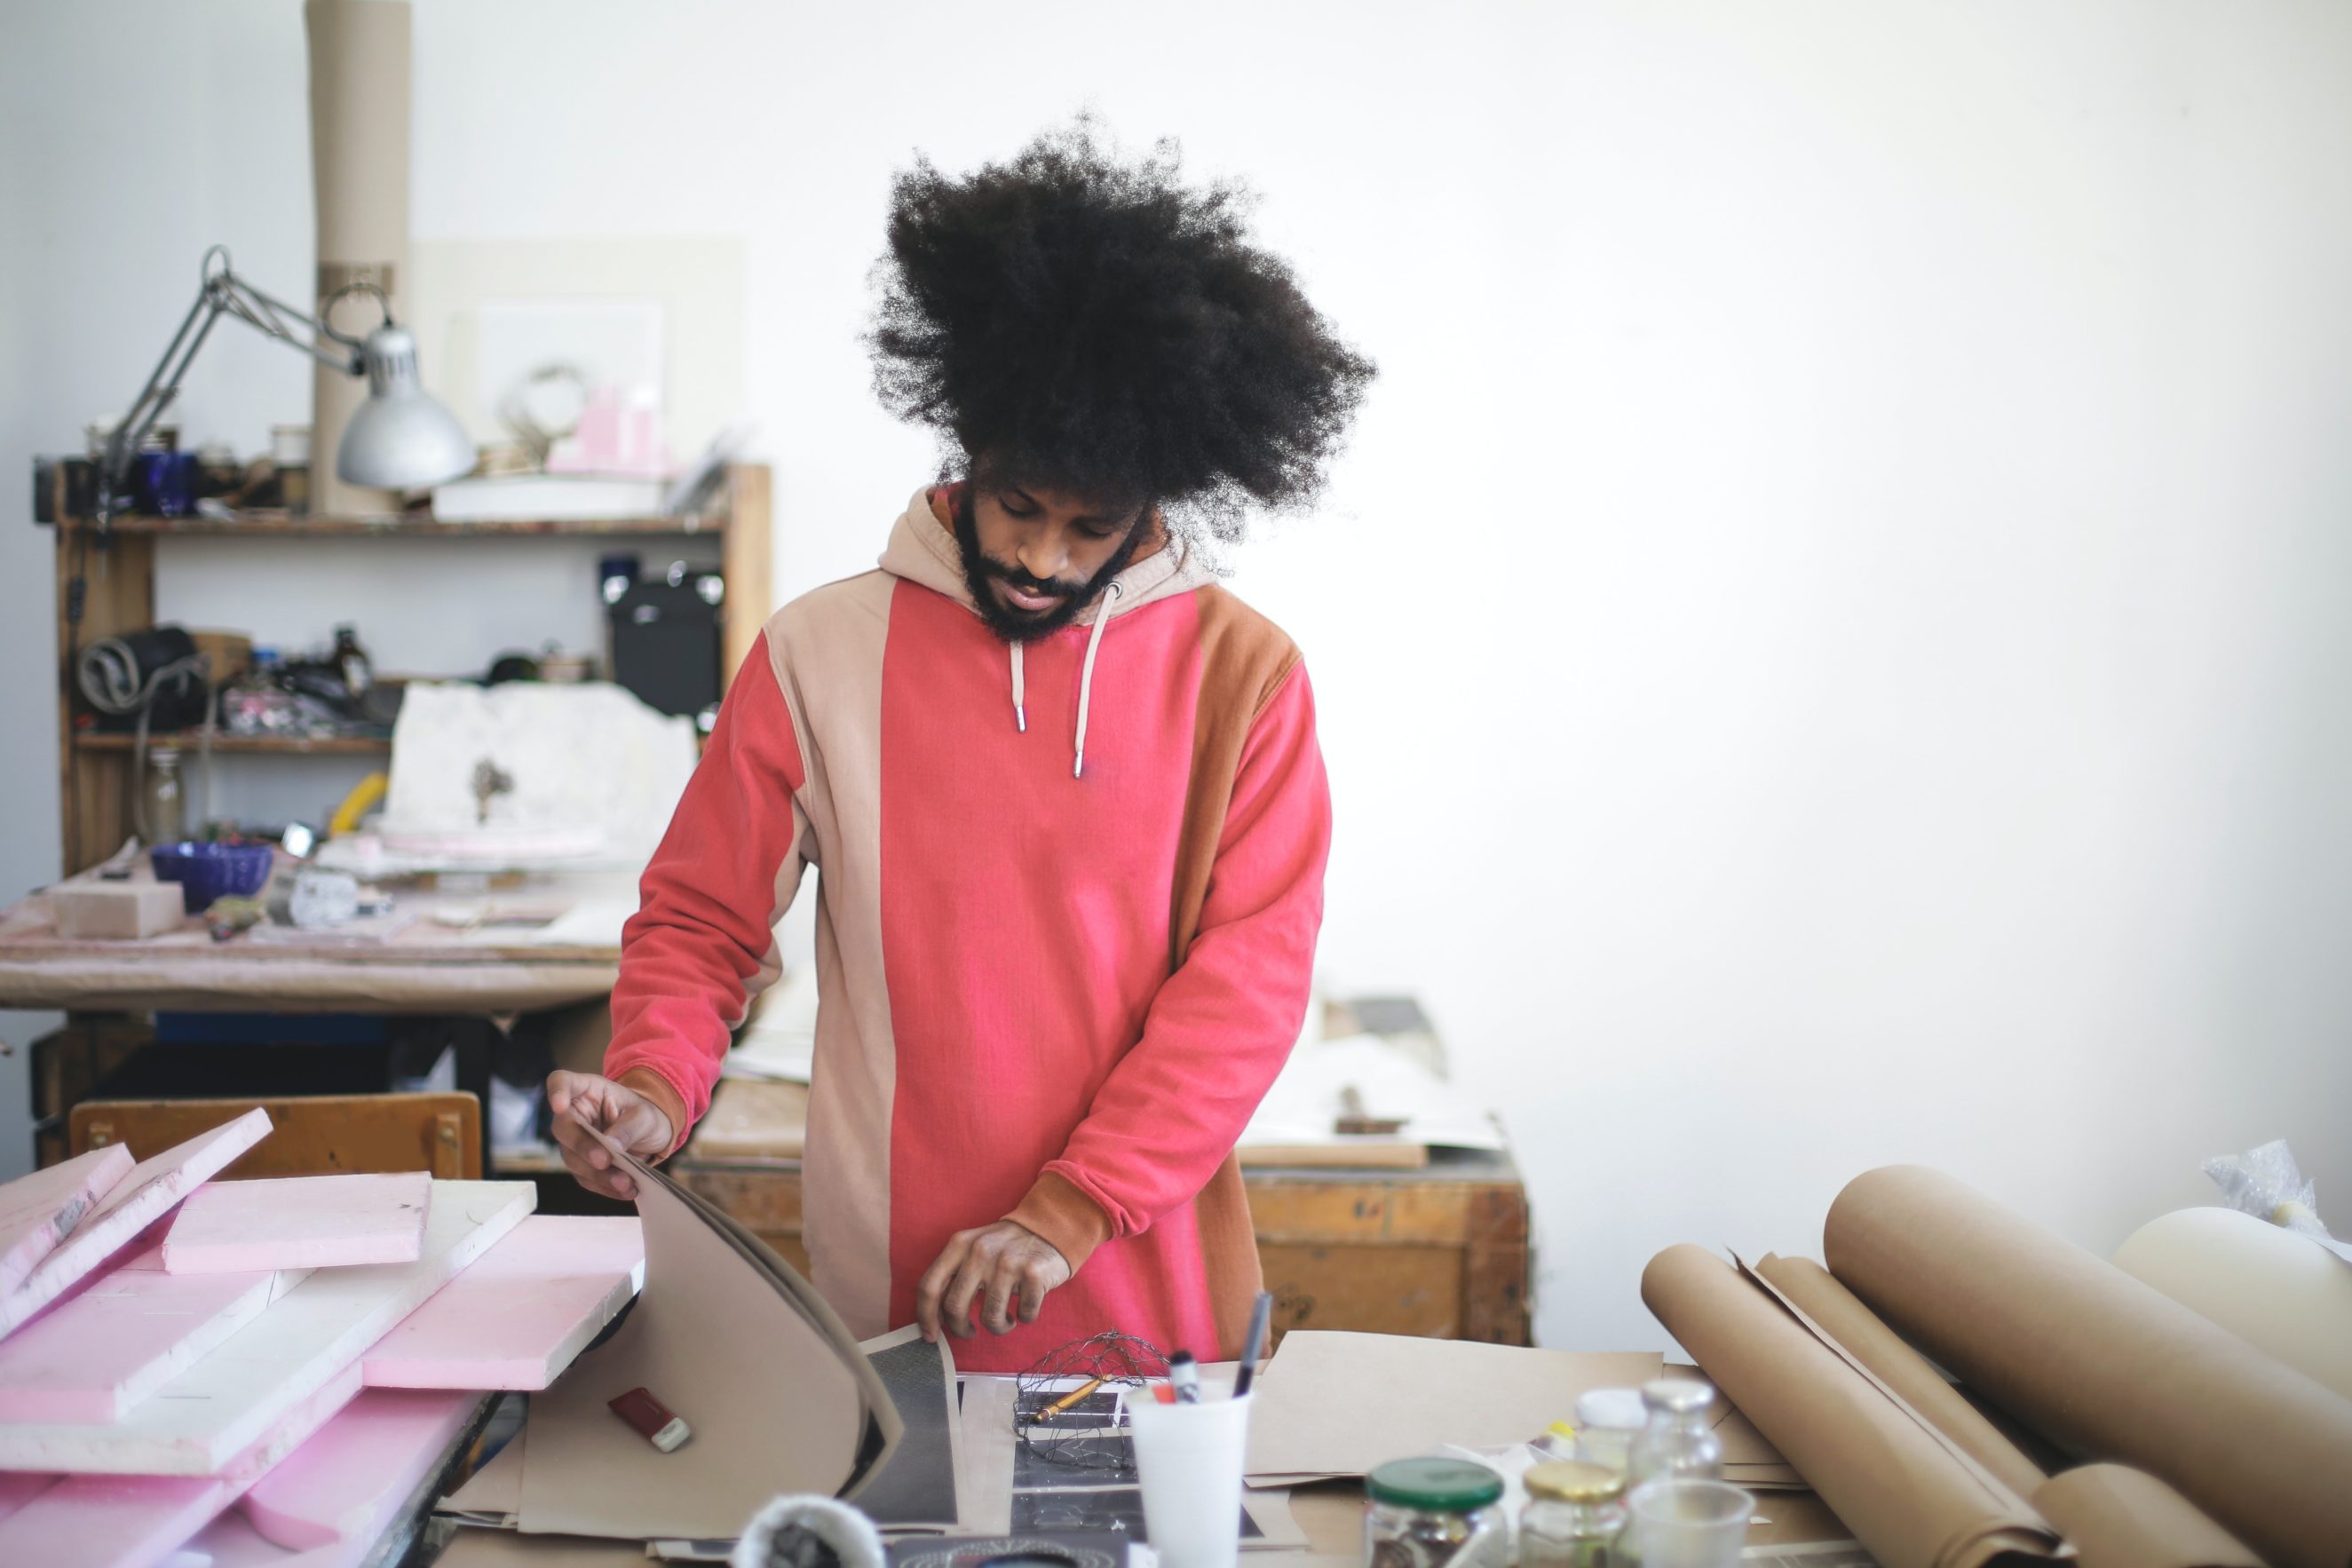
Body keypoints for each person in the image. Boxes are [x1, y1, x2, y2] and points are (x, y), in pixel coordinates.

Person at [547, 120, 1374, 1372]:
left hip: (1145, 1280)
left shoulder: (1243, 676)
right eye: (1019, 504)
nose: (1042, 555)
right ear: (967, 449)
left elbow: (1244, 989)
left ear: (1157, 500)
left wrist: (1068, 1208)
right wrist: (654, 1087)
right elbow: (704, 919)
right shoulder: (817, 651)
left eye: (1089, 526)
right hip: (895, 1293)